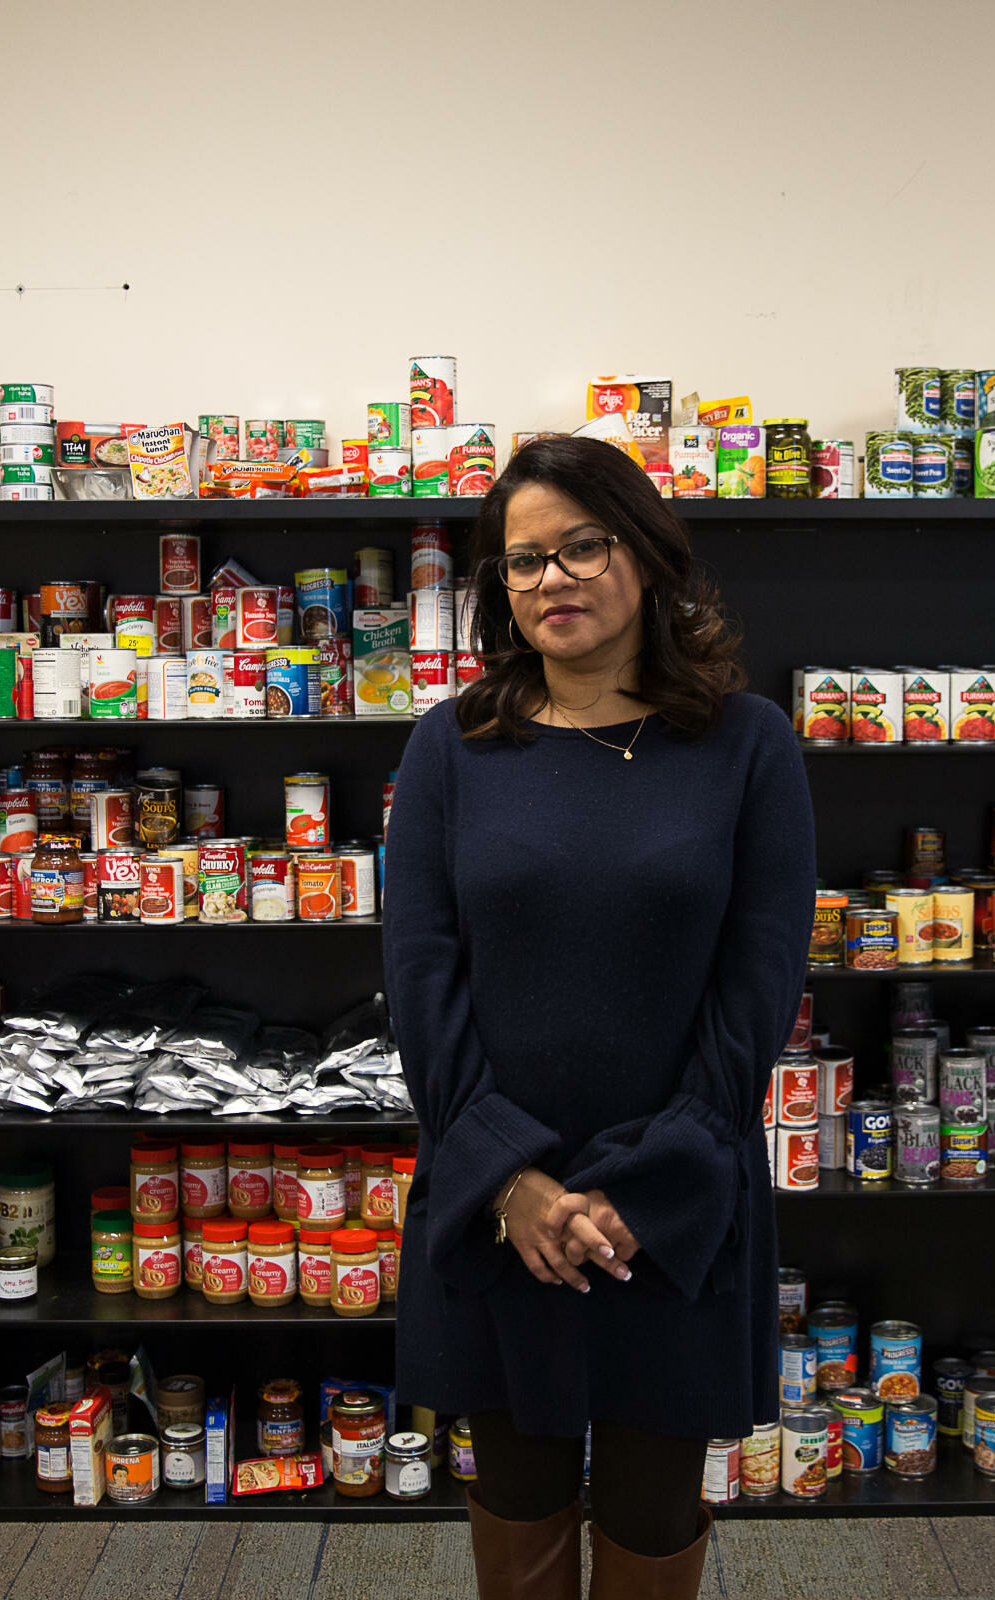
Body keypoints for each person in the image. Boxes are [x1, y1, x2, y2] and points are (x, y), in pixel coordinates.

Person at [385, 435, 814, 1600]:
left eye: (583, 546)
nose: (551, 580)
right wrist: (509, 1177)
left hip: (672, 1198)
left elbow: (758, 982)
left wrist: (649, 1178)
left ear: (646, 557)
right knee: (515, 1489)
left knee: (650, 1499)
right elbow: (420, 980)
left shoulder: (745, 744)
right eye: (523, 561)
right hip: (493, 1193)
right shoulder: (452, 744)